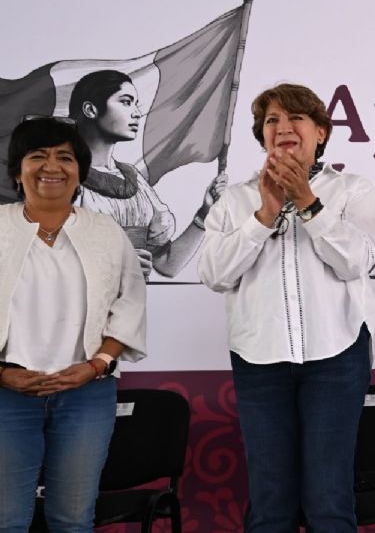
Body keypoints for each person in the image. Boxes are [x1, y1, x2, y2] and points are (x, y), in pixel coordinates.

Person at [198, 83, 375, 532]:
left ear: (320, 133)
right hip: (259, 360)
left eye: (296, 118)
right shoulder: (236, 200)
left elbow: (355, 261)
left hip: (336, 356)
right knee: (271, 503)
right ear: (262, 137)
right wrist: (264, 215)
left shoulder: (354, 190)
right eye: (272, 121)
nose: (283, 128)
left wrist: (305, 202)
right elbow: (215, 274)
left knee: (328, 500)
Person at [0, 116, 147, 531]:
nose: (52, 166)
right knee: (7, 519)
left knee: (74, 519)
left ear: (80, 171)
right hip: (6, 395)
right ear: (17, 169)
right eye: (38, 156)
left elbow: (130, 302)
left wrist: (97, 364)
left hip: (86, 394)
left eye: (65, 157)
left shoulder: (105, 231)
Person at [69, 69, 227, 279]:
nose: (136, 113)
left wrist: (205, 212)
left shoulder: (132, 178)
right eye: (126, 102)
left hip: (131, 306)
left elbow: (167, 265)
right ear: (90, 109)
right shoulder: (62, 178)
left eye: (136, 104)